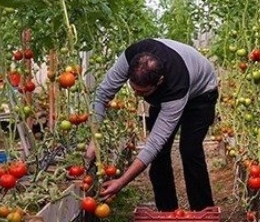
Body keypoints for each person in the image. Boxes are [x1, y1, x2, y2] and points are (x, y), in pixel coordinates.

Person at [87, 38, 219, 212]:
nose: (136, 94)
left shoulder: (175, 85)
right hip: (170, 90)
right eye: (133, 88)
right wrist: (93, 140)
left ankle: (204, 215)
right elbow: (102, 94)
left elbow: (154, 144)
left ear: (159, 81)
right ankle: (168, 214)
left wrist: (121, 182)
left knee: (190, 150)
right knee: (160, 156)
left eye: (142, 92)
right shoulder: (131, 56)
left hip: (202, 94)